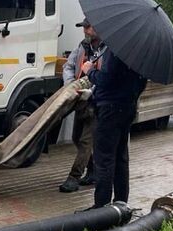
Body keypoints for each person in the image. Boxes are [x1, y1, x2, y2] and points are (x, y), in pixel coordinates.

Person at [81, 36, 148, 209]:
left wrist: (90, 70)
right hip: (127, 108)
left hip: (109, 110)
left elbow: (105, 80)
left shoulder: (116, 49)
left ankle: (101, 205)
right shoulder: (139, 53)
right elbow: (142, 82)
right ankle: (120, 202)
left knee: (104, 159)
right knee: (120, 156)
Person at [58, 18, 101, 193]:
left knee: (85, 141)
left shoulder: (106, 50)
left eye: (88, 27)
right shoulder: (82, 46)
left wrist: (91, 91)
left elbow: (106, 77)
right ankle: (93, 172)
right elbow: (68, 66)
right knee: (77, 137)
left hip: (96, 102)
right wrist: (70, 84)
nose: (85, 31)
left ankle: (74, 178)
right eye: (84, 27)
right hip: (80, 100)